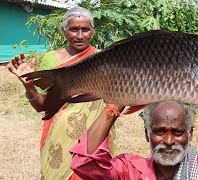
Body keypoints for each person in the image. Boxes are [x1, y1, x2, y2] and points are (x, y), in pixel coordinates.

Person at [7, 6, 117, 180]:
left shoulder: (104, 60)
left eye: (85, 29)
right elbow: (43, 106)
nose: (80, 35)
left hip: (95, 140)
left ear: (93, 31)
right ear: (64, 31)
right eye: (74, 29)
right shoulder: (51, 59)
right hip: (58, 143)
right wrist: (30, 87)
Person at [70, 101, 198, 179]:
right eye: (160, 131)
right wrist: (115, 104)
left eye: (178, 132)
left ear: (190, 134)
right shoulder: (131, 170)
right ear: (147, 134)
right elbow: (86, 164)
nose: (169, 141)